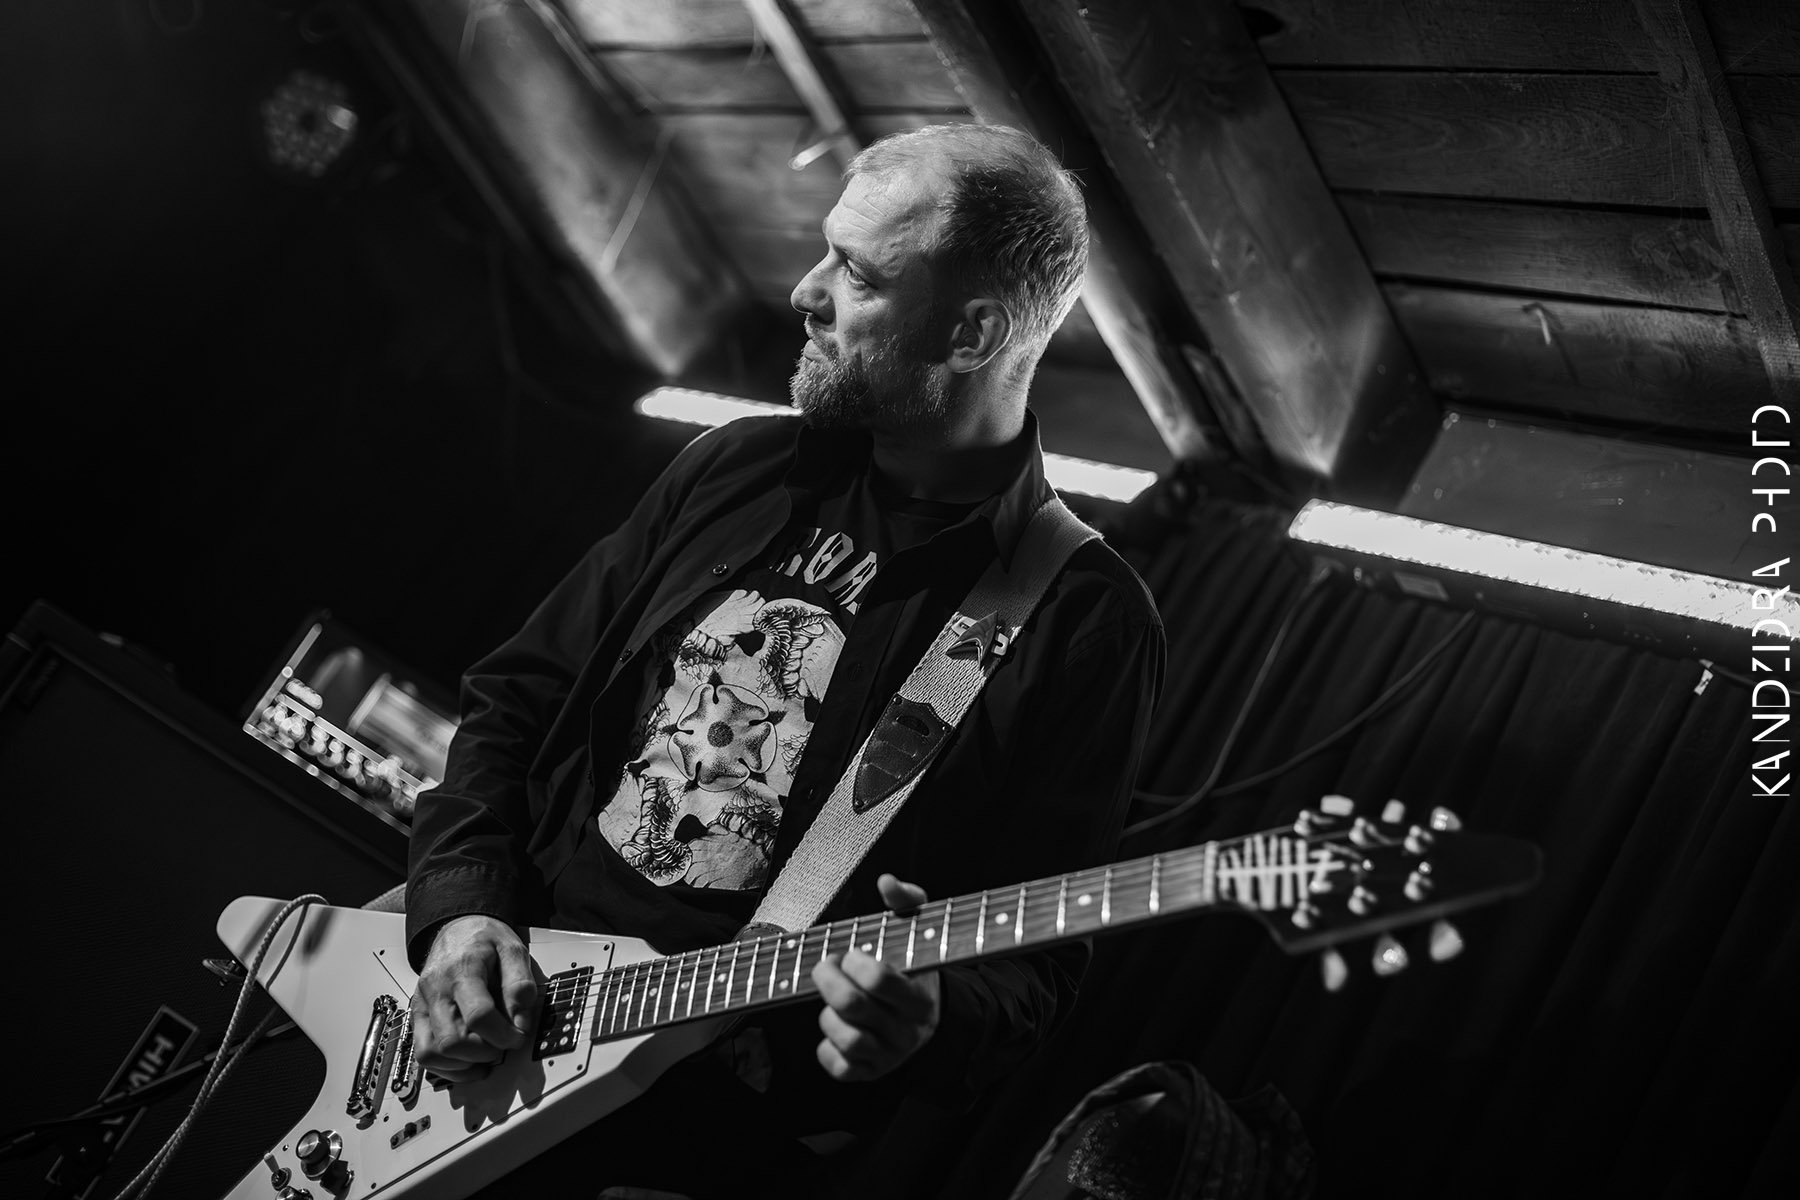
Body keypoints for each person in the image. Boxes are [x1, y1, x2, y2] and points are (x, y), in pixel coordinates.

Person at [404, 122, 1165, 1197]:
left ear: (973, 333)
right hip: (494, 1018)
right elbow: (518, 696)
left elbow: (1034, 971)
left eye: (857, 273)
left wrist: (932, 1020)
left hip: (699, 1142)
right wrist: (462, 909)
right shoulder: (736, 467)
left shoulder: (1080, 618)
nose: (806, 291)